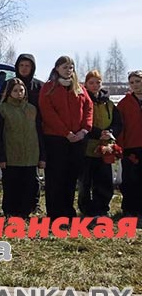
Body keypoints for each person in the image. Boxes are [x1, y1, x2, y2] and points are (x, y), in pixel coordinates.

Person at [38, 56, 93, 219]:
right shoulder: (49, 87)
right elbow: (48, 113)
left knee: (71, 177)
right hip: (56, 139)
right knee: (56, 177)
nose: (68, 70)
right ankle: (55, 213)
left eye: (71, 67)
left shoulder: (79, 88)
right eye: (65, 67)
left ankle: (68, 210)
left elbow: (89, 108)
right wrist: (66, 133)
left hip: (77, 139)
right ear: (57, 69)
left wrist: (84, 130)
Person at [0, 78, 46, 217]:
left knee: (29, 185)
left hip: (30, 155)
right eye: (15, 90)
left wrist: (42, 156)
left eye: (21, 90)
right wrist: (0, 156)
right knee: (12, 185)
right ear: (9, 92)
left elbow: (39, 132)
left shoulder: (32, 109)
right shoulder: (2, 110)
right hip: (11, 155)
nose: (19, 93)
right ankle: (10, 212)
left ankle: (26, 211)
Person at [78, 70, 122, 217]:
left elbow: (118, 122)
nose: (95, 85)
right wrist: (98, 133)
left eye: (98, 82)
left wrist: (110, 132)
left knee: (104, 180)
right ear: (86, 84)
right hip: (87, 147)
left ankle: (102, 208)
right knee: (85, 182)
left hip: (105, 148)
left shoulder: (109, 103)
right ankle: (86, 209)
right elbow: (81, 122)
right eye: (91, 82)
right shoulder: (82, 100)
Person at [117, 70, 142, 217]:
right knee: (130, 179)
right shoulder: (124, 103)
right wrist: (121, 147)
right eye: (132, 82)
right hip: (131, 147)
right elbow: (120, 127)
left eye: (138, 81)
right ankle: (130, 208)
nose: (135, 85)